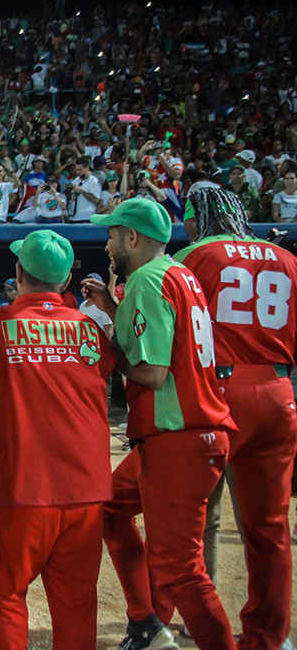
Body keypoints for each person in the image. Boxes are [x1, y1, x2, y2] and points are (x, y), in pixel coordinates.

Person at [82, 199, 237, 650]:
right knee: (110, 510)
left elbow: (152, 374)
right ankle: (146, 624)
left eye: (111, 235)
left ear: (132, 237)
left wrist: (105, 350)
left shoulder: (147, 281)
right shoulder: (176, 272)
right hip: (189, 430)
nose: (107, 244)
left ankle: (168, 630)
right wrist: (113, 308)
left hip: (179, 437)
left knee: (182, 571)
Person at [0, 230, 114, 650]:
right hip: (86, 491)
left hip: (21, 491)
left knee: (8, 597)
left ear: (18, 272)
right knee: (78, 604)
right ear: (66, 283)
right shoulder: (89, 330)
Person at [175, 188, 297, 650]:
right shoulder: (287, 259)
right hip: (278, 392)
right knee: (270, 524)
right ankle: (271, 635)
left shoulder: (194, 255)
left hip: (216, 391)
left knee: (196, 514)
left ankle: (195, 615)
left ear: (196, 219)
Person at [67, 157, 102, 222]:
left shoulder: (94, 182)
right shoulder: (75, 181)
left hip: (86, 217)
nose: (77, 172)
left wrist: (81, 191)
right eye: (76, 170)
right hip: (74, 217)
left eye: (80, 170)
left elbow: (96, 200)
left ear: (87, 169)